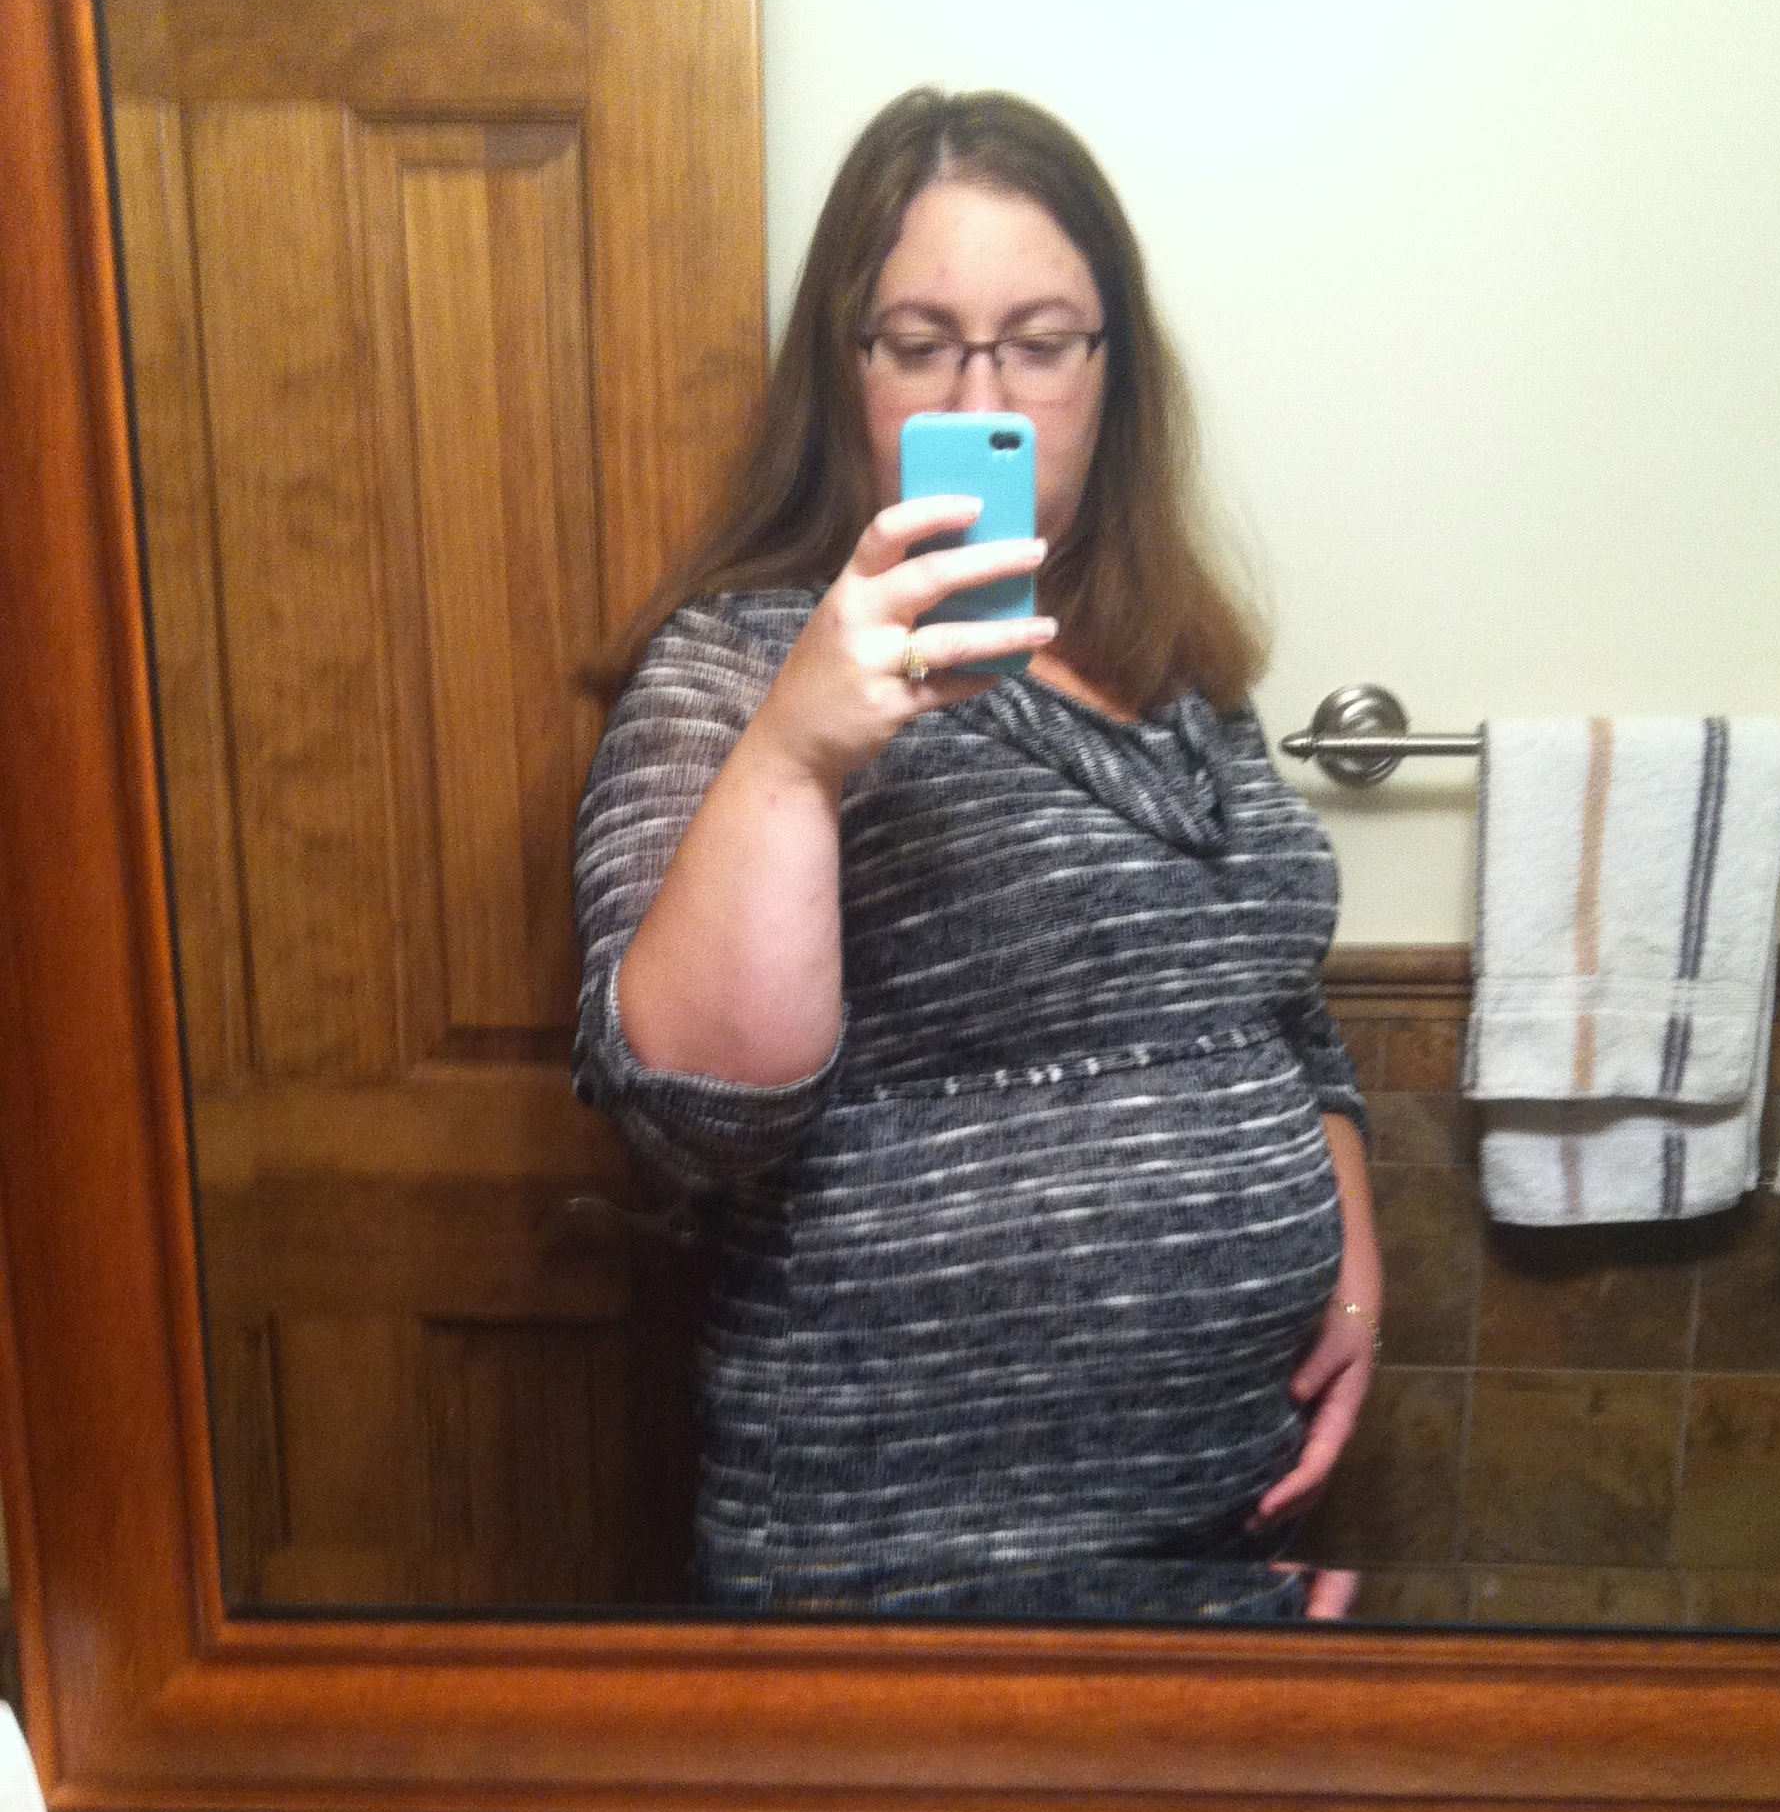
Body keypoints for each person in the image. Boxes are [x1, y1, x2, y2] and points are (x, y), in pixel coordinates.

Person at [572, 88, 1380, 1621]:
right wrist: (799, 750)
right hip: (907, 1571)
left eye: (1041, 342)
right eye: (921, 342)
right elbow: (693, 1117)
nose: (983, 390)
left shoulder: (1180, 673)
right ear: (847, 368)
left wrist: (1351, 1261)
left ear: (1111, 369)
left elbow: (1280, 1002)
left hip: (1221, 1524)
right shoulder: (733, 669)